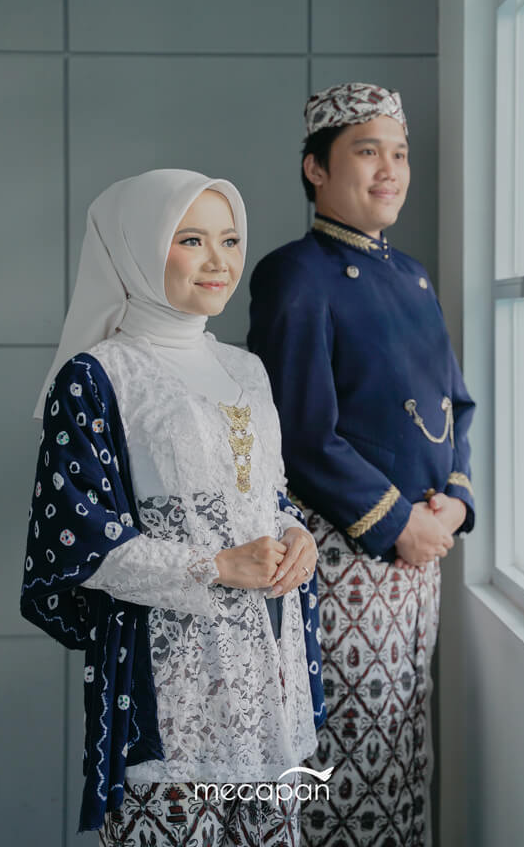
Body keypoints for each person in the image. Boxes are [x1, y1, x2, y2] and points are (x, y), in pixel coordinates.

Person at [20, 168, 326, 844]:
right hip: (170, 687)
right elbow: (80, 541)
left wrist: (295, 533)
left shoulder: (246, 368)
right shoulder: (99, 375)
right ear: (136, 248)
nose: (219, 261)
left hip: (267, 672)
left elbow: (266, 493)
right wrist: (217, 565)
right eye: (191, 240)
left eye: (229, 240)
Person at [247, 82, 476, 847]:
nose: (389, 170)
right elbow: (300, 435)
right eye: (367, 151)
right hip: (344, 557)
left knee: (404, 751)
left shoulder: (411, 274)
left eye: (399, 154)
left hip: (420, 551)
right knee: (348, 760)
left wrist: (454, 503)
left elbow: (455, 404)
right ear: (315, 168)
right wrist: (396, 523)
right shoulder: (294, 274)